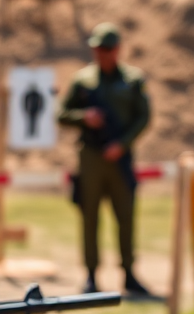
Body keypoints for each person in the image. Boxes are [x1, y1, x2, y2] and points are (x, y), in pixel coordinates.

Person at [57, 22, 154, 298]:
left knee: (125, 217)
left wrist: (121, 145)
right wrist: (84, 117)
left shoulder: (133, 80)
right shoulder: (83, 80)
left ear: (118, 49)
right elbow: (62, 114)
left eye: (107, 49)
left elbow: (143, 117)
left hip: (119, 159)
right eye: (98, 49)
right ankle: (90, 274)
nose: (102, 54)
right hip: (90, 158)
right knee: (89, 218)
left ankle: (129, 272)